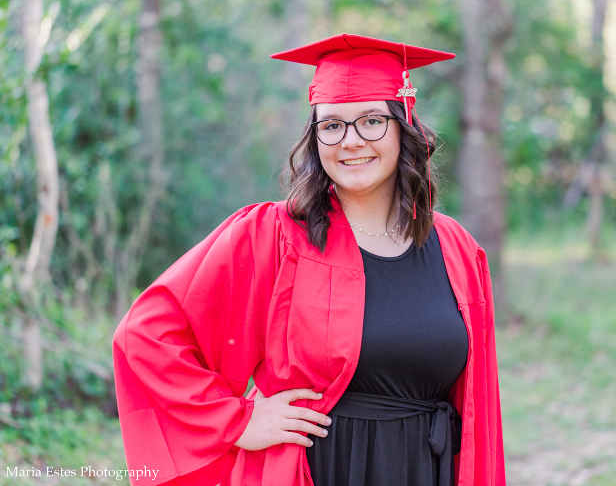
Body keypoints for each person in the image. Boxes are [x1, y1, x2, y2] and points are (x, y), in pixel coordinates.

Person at [112, 34, 506, 486]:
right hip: (316, 469)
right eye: (332, 125)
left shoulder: (456, 248)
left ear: (405, 127)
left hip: (423, 469)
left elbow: (478, 407)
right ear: (315, 137)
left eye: (372, 121)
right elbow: (146, 333)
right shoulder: (272, 235)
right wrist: (235, 420)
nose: (351, 141)